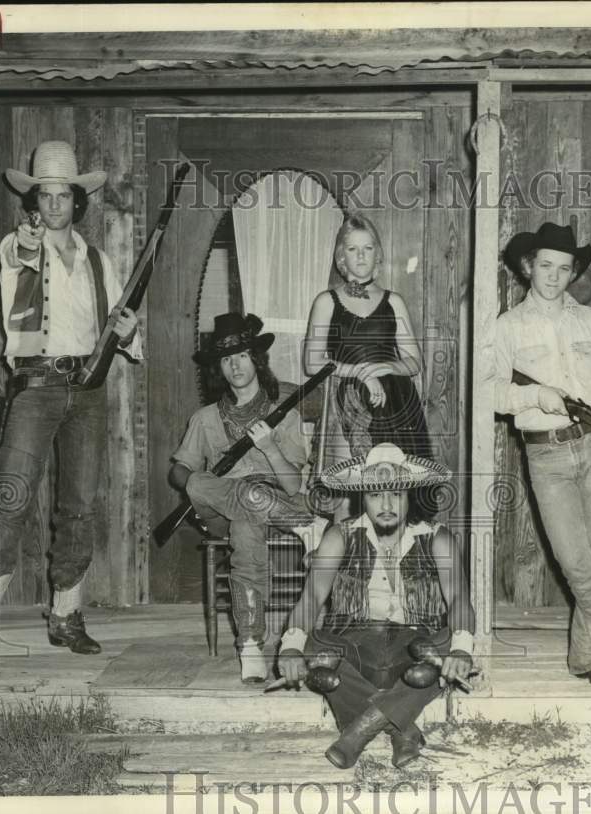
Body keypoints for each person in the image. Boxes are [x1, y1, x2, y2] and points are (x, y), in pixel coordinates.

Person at [0, 140, 142, 672]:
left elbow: (118, 330)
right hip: (33, 390)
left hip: (87, 391)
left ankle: (66, 616)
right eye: (46, 194)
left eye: (64, 194)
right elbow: (17, 253)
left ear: (77, 201)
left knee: (79, 509)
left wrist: (129, 333)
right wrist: (26, 242)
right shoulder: (15, 248)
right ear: (33, 201)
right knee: (10, 503)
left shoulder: (98, 260)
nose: (55, 204)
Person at [494, 221, 591, 690]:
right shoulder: (507, 327)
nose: (554, 276)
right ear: (527, 267)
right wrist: (536, 396)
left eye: (563, 268)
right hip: (547, 455)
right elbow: (491, 391)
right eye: (545, 266)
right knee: (575, 560)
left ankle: (587, 659)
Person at [277, 443, 474, 769]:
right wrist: (291, 647)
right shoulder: (340, 536)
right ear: (361, 497)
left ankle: (356, 733)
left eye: (395, 494)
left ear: (409, 494)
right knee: (316, 650)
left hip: (413, 647)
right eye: (374, 495)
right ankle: (403, 728)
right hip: (355, 648)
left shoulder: (438, 538)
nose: (386, 505)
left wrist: (463, 649)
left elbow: (458, 599)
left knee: (444, 645)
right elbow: (312, 595)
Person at [170, 312, 315, 683]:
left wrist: (268, 447)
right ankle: (309, 529)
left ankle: (250, 644)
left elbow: (294, 486)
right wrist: (191, 480)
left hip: (276, 503)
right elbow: (181, 470)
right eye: (226, 358)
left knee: (245, 524)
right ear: (219, 367)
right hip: (221, 504)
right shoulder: (205, 418)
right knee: (200, 484)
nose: (235, 365)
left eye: (242, 355)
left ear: (257, 359)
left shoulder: (284, 414)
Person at [303, 214, 433, 511]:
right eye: (352, 249)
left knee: (396, 501)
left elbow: (415, 361)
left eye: (367, 248)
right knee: (349, 498)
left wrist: (388, 367)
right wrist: (361, 374)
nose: (360, 256)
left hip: (397, 406)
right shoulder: (326, 301)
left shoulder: (393, 301)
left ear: (377, 255)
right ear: (341, 257)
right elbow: (313, 362)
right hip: (345, 405)